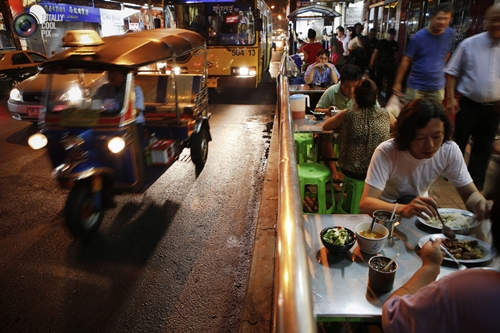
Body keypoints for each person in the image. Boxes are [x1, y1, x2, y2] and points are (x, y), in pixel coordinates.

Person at [381, 181, 499, 333]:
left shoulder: (467, 288)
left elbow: (393, 316)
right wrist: (480, 202)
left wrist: (429, 268)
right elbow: (365, 202)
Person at [359, 98, 493, 221]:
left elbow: (470, 195)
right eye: (420, 137)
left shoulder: (449, 150)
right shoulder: (387, 152)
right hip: (385, 213)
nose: (430, 145)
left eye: (436, 136)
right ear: (407, 135)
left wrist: (480, 203)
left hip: (420, 211)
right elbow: (366, 203)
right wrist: (402, 209)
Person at [444, 4, 500, 194]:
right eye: (494, 19)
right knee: (459, 141)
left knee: (483, 148)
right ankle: (452, 174)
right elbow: (451, 72)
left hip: (493, 107)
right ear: (486, 21)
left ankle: (475, 186)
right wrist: (451, 99)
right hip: (468, 104)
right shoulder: (470, 44)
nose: (497, 24)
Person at [322, 79, 396, 180]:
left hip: (350, 170)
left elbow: (325, 126)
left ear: (355, 97)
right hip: (378, 171)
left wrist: (344, 125)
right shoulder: (387, 114)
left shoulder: (348, 114)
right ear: (376, 97)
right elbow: (399, 130)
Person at [392, 3, 455, 103]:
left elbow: (447, 54)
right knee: (413, 115)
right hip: (417, 86)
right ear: (432, 18)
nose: (442, 22)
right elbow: (406, 60)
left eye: (446, 19)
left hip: (437, 87)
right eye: (439, 18)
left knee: (434, 116)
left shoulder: (450, 34)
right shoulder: (419, 37)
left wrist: (437, 69)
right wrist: (398, 83)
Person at [315, 64, 363, 181]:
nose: (351, 90)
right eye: (347, 86)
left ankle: (355, 171)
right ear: (341, 82)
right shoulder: (331, 92)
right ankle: (333, 170)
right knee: (323, 136)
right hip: (334, 131)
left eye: (354, 86)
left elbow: (375, 110)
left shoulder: (363, 93)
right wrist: (327, 110)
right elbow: (317, 109)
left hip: (353, 132)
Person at [370, 28, 398, 100]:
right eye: (390, 34)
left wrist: (395, 64)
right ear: (387, 34)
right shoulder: (381, 42)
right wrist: (372, 62)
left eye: (393, 34)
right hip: (381, 65)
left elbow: (396, 55)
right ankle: (376, 96)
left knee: (390, 83)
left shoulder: (395, 44)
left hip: (390, 66)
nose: (391, 36)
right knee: (379, 82)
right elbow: (375, 52)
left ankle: (388, 98)